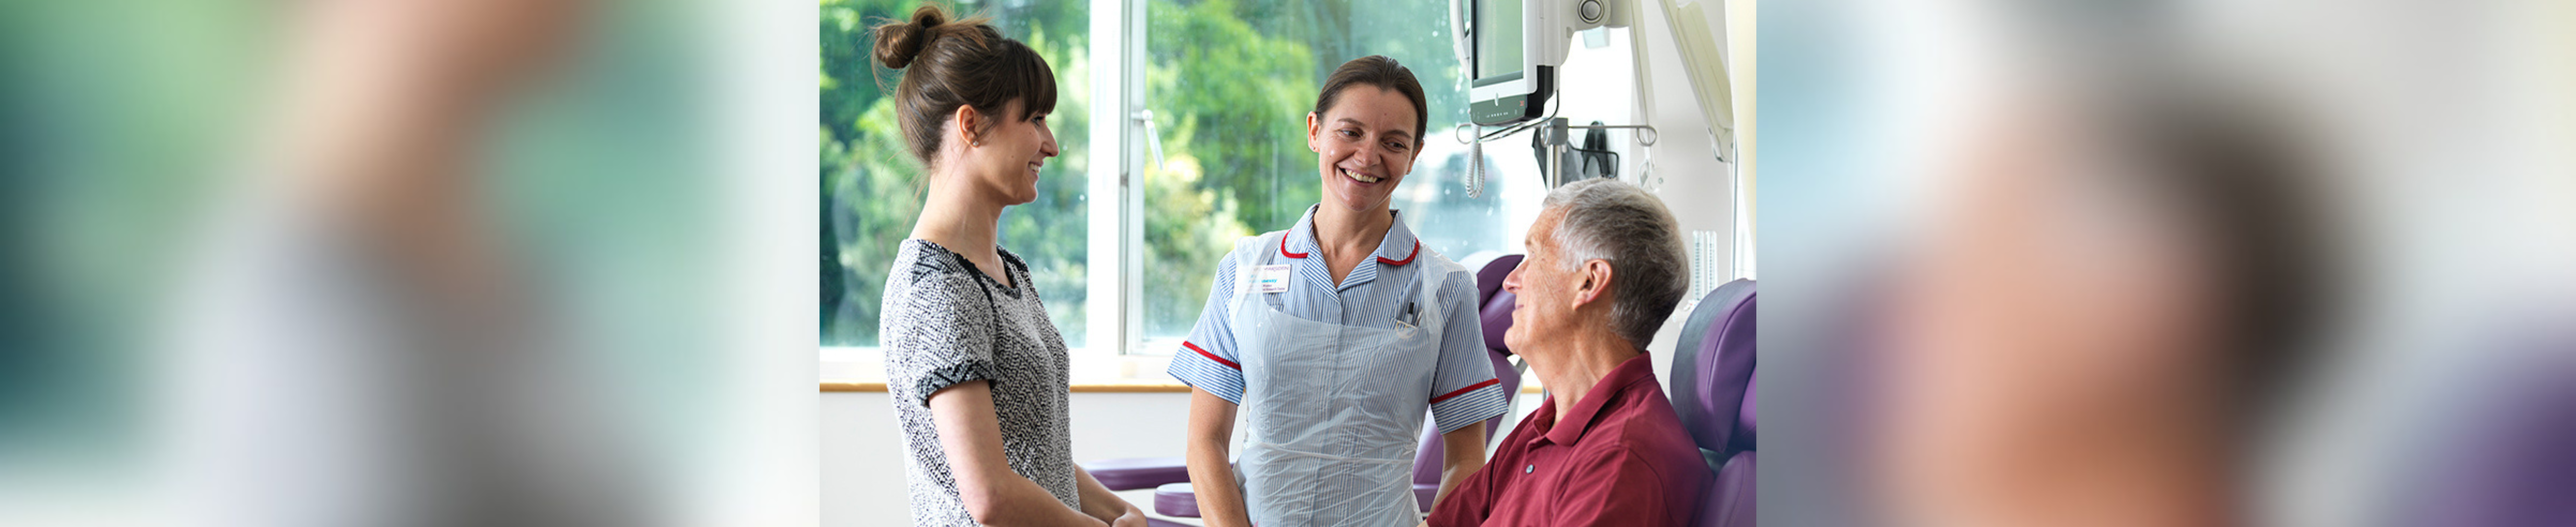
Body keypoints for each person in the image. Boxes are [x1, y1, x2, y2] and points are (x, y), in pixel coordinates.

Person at [1167, 55, 1512, 527]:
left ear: (1414, 157)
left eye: (1394, 143)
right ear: (1315, 131)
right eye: (1351, 132)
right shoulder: (1246, 269)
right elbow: (1205, 442)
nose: (1368, 157)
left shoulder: (1445, 288)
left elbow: (1466, 459)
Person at [872, 4, 1145, 526]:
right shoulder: (937, 288)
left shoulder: (1006, 273)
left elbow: (1035, 454)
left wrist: (1122, 511)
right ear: (971, 125)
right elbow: (991, 496)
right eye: (1036, 120)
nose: (1052, 145)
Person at [1424, 178, 1708, 527]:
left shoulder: (1621, 461)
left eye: (1534, 256)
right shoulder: (1543, 426)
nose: (1511, 281)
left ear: (1589, 282)